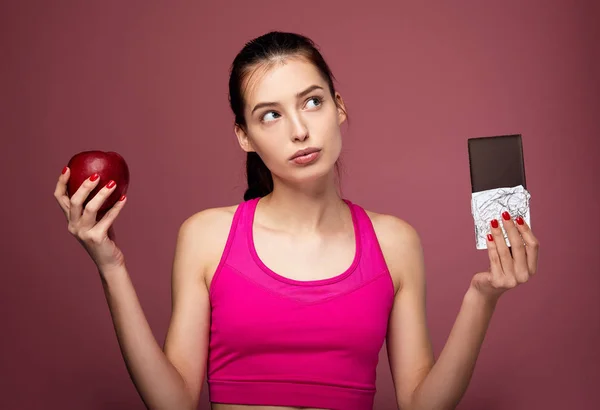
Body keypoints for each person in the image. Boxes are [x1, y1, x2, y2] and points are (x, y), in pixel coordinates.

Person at [53, 31, 540, 410]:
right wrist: (111, 265)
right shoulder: (206, 236)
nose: (300, 130)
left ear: (339, 106)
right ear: (244, 136)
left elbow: (421, 403)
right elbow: (173, 402)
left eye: (312, 101)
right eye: (270, 115)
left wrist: (483, 297)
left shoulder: (395, 242)